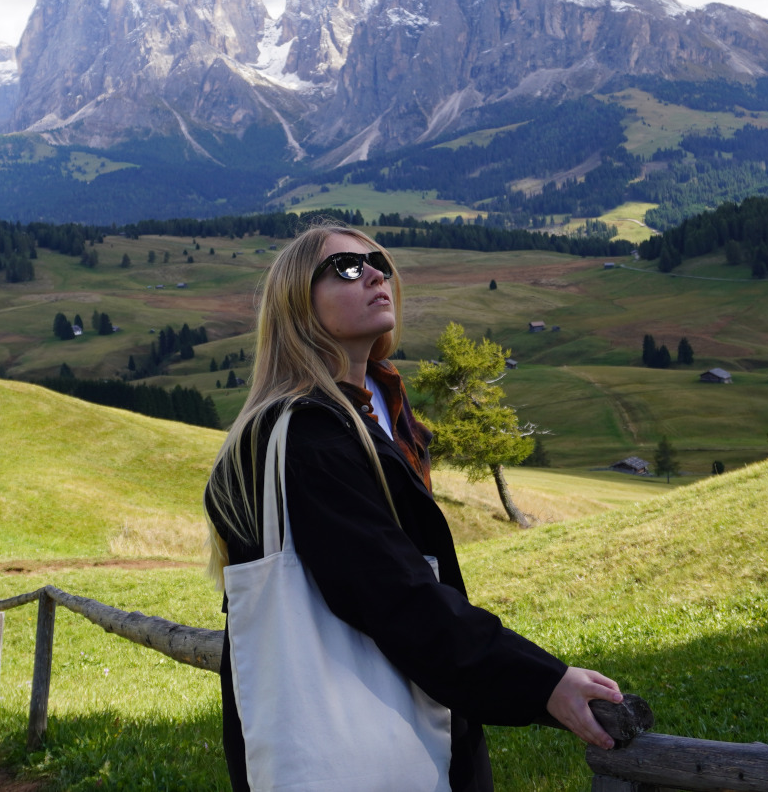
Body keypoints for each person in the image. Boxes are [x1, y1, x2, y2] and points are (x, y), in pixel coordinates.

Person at [204, 223, 624, 792]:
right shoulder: (308, 439)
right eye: (347, 268)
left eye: (377, 260)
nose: (377, 273)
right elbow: (400, 598)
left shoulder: (356, 418)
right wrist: (543, 684)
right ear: (297, 306)